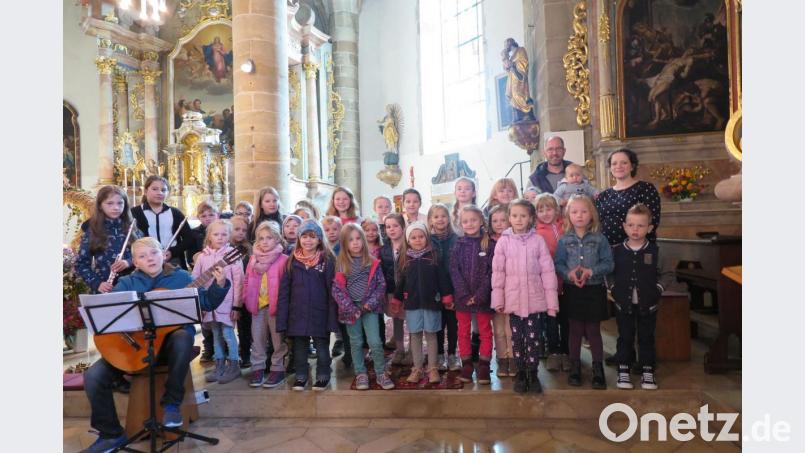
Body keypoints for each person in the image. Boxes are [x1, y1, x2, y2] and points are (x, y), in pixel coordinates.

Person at [81, 238, 230, 453]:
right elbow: (108, 314)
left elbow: (207, 302)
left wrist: (220, 284)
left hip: (170, 350)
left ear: (164, 254)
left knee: (182, 337)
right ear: (135, 262)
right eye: (142, 256)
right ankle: (111, 434)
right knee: (93, 376)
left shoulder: (181, 278)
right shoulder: (127, 283)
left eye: (154, 253)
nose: (149, 258)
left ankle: (171, 403)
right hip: (134, 348)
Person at [491, 199, 559, 394]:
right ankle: (521, 372)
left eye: (522, 216)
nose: (518, 220)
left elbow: (547, 271)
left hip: (534, 301)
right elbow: (498, 273)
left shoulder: (537, 240)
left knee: (533, 339)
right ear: (509, 218)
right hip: (513, 300)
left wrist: (551, 303)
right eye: (514, 216)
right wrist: (498, 300)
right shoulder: (504, 241)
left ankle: (533, 372)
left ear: (530, 218)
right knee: (517, 339)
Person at [554, 195, 614, 389]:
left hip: (594, 289)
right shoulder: (564, 241)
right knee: (575, 331)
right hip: (573, 291)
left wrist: (591, 271)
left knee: (593, 331)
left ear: (592, 215)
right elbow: (559, 264)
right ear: (568, 215)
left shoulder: (600, 239)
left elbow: (608, 263)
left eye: (584, 211)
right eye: (574, 212)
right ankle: (575, 367)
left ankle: (598, 369)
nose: (579, 215)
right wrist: (569, 274)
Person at [609, 204, 671, 391]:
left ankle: (647, 371)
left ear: (650, 228)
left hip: (648, 305)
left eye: (641, 225)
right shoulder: (616, 251)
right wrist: (613, 289)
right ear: (625, 226)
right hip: (623, 304)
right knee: (625, 337)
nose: (635, 229)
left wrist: (657, 290)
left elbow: (668, 274)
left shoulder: (656, 251)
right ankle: (624, 370)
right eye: (631, 225)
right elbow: (609, 273)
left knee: (646, 338)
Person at [332, 224, 396, 390]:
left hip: (370, 308)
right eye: (350, 240)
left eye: (358, 238)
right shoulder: (341, 263)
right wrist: (350, 308)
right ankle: (360, 372)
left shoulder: (372, 262)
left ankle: (381, 372)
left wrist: (370, 304)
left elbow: (381, 285)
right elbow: (337, 289)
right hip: (350, 310)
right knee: (356, 342)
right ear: (344, 243)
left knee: (375, 341)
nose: (355, 243)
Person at [276, 220, 338, 391]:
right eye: (304, 236)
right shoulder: (292, 261)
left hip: (320, 312)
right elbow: (284, 292)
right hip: (297, 313)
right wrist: (283, 318)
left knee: (322, 347)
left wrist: (332, 318)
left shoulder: (327, 260)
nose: (308, 241)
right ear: (298, 238)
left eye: (312, 237)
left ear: (319, 239)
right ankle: (301, 375)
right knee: (300, 348)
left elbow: (332, 291)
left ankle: (323, 374)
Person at [392, 222, 454, 385]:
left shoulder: (433, 256)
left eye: (421, 237)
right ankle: (417, 368)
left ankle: (432, 367)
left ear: (426, 238)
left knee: (431, 334)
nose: (418, 240)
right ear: (408, 240)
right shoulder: (405, 258)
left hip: (432, 302)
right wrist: (397, 299)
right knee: (415, 335)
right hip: (412, 303)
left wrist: (447, 296)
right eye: (413, 237)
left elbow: (442, 278)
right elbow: (401, 281)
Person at [450, 206, 496, 384]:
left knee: (485, 331)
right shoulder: (458, 245)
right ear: (461, 224)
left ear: (481, 221)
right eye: (465, 221)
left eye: (473, 220)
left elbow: (492, 272)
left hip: (483, 297)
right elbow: (454, 270)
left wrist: (479, 295)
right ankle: (467, 364)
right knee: (463, 331)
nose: (469, 224)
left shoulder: (490, 244)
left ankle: (484, 365)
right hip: (462, 298)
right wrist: (463, 293)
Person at [194, 220, 244, 385]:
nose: (220, 237)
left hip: (227, 304)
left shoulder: (232, 256)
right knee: (215, 336)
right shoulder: (202, 257)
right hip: (209, 305)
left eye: (224, 234)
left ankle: (234, 365)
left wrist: (237, 305)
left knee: (228, 335)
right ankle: (219, 365)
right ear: (209, 236)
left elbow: (239, 283)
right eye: (216, 234)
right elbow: (195, 280)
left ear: (229, 236)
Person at [243, 221, 289, 388]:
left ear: (277, 239)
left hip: (275, 307)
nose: (264, 241)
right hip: (257, 306)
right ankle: (258, 367)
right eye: (261, 238)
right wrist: (247, 298)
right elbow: (247, 279)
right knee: (258, 339)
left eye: (269, 238)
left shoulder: (283, 259)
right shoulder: (253, 259)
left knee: (278, 340)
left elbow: (287, 284)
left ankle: (278, 368)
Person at [74, 185, 138, 295]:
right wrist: (97, 283)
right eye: (110, 203)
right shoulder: (92, 231)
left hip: (132, 285)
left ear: (125, 205)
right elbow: (81, 264)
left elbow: (145, 255)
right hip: (105, 287)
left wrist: (128, 262)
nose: (116, 207)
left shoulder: (132, 228)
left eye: (120, 203)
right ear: (100, 206)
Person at [534, 194, 570, 373]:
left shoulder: (564, 226)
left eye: (549, 209)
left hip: (566, 278)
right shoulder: (537, 231)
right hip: (548, 282)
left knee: (566, 317)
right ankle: (553, 351)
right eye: (541, 210)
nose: (545, 213)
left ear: (556, 210)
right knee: (551, 318)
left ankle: (566, 350)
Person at [595, 148, 662, 245]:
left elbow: (652, 221)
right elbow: (596, 224)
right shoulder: (603, 195)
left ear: (632, 166)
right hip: (606, 250)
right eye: (614, 163)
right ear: (610, 168)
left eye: (624, 163)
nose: (619, 166)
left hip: (636, 250)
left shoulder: (646, 189)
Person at [131, 176, 193, 269]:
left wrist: (172, 252)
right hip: (147, 260)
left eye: (163, 190)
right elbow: (130, 238)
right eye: (155, 189)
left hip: (172, 260)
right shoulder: (134, 212)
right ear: (145, 191)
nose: (159, 193)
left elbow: (189, 238)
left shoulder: (175, 213)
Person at [428, 204, 460, 372]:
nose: (440, 219)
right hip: (435, 290)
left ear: (449, 219)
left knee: (453, 324)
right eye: (436, 216)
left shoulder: (456, 239)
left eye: (443, 216)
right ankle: (440, 354)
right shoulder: (427, 240)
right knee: (438, 324)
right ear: (431, 220)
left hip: (453, 287)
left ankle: (453, 354)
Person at [486, 204, 514, 377]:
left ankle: (513, 358)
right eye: (495, 220)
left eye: (503, 220)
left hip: (512, 289)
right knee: (498, 329)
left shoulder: (515, 239)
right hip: (494, 289)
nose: (499, 223)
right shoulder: (487, 241)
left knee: (511, 328)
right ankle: (502, 359)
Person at [380, 213, 410, 365]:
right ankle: (399, 350)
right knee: (396, 321)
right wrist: (385, 292)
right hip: (392, 290)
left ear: (403, 227)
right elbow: (383, 272)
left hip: (408, 292)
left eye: (395, 226)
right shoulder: (384, 250)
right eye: (388, 227)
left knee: (411, 321)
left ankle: (412, 351)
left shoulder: (409, 246)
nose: (391, 229)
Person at [230, 215, 254, 369]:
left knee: (245, 324)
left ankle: (246, 353)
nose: (240, 233)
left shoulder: (249, 249)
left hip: (246, 292)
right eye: (236, 229)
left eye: (244, 230)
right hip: (229, 292)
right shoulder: (225, 248)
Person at [501, 38, 536, 122]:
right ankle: (519, 117)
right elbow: (506, 66)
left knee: (519, 96)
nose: (505, 48)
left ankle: (526, 115)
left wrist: (510, 63)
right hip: (513, 81)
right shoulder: (512, 56)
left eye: (506, 45)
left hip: (520, 80)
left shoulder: (521, 50)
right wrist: (505, 57)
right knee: (514, 98)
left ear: (510, 43)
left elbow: (522, 65)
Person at [186, 200, 220, 269]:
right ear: (198, 217)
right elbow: (190, 258)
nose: (208, 219)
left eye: (211, 215)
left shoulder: (225, 230)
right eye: (203, 216)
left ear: (218, 215)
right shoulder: (194, 233)